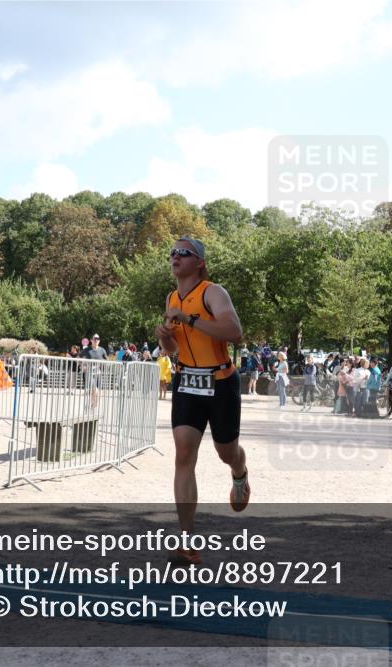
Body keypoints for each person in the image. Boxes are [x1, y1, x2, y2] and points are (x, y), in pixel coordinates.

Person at [155, 236, 248, 567]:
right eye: (173, 252)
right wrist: (165, 338)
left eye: (184, 252)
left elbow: (234, 331)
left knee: (226, 452)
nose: (175, 256)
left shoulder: (213, 292)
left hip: (220, 382)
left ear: (200, 262)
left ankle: (239, 470)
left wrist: (190, 318)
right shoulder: (172, 297)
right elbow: (173, 351)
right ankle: (187, 542)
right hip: (187, 381)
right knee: (183, 455)